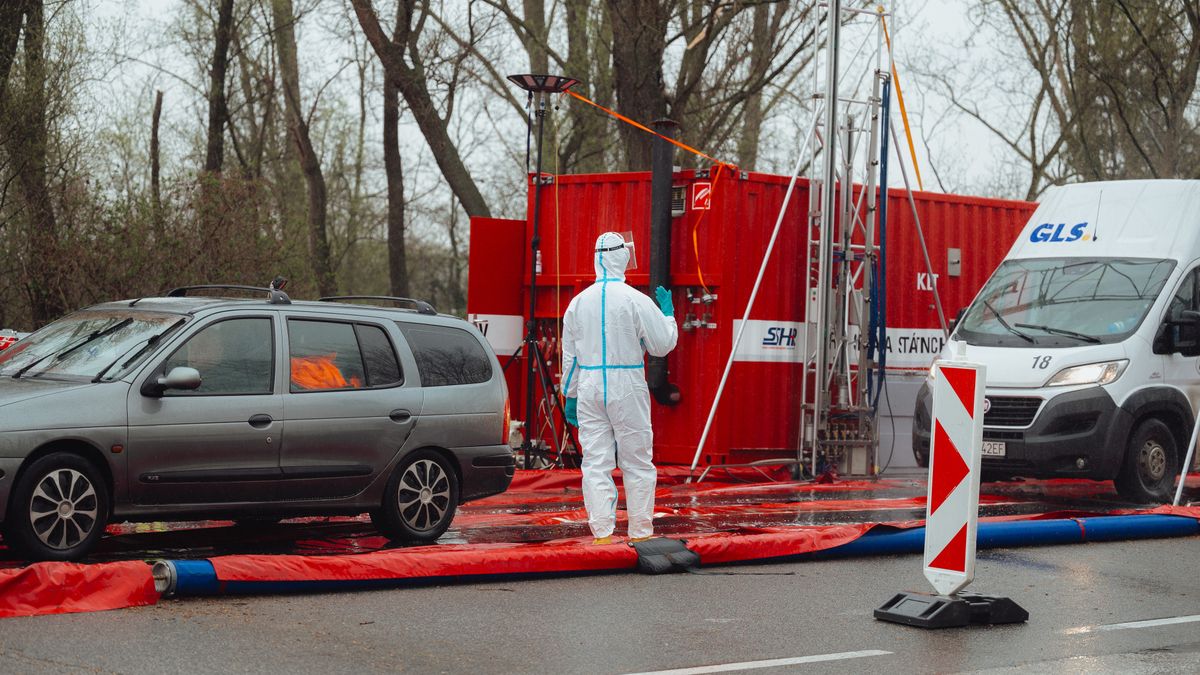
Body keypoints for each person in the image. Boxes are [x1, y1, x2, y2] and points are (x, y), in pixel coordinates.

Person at [561, 231, 678, 545]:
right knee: (637, 461)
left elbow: (569, 357)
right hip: (626, 384)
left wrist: (569, 394)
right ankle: (640, 532)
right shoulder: (635, 300)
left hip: (588, 386)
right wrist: (667, 314)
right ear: (621, 256)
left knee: (595, 463)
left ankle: (602, 533)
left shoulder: (577, 303)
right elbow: (662, 345)